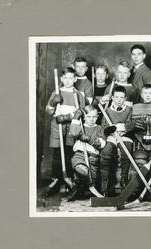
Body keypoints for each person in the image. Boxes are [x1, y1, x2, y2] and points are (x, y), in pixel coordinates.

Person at [45, 67, 85, 196]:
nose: (68, 81)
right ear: (61, 79)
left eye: (70, 78)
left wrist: (68, 117)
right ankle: (56, 180)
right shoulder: (56, 92)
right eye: (65, 78)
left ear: (75, 79)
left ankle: (69, 180)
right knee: (57, 154)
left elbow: (81, 111)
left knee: (69, 153)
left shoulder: (78, 94)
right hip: (57, 127)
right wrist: (52, 102)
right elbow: (49, 111)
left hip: (71, 128)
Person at [68, 105, 115, 200]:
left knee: (91, 179)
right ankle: (79, 173)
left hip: (93, 158)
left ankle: (77, 186)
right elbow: (73, 132)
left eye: (94, 117)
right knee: (81, 168)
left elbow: (101, 144)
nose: (91, 119)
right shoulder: (80, 125)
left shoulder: (99, 129)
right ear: (84, 117)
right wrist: (76, 117)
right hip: (80, 154)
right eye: (89, 116)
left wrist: (89, 139)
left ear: (97, 117)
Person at [100, 86, 134, 195]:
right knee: (106, 152)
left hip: (124, 135)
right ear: (112, 98)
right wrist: (109, 129)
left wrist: (122, 127)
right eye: (116, 97)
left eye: (121, 97)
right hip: (111, 136)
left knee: (126, 150)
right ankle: (105, 183)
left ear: (125, 98)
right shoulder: (107, 110)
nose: (119, 100)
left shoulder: (129, 110)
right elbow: (103, 126)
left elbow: (131, 124)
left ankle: (124, 180)